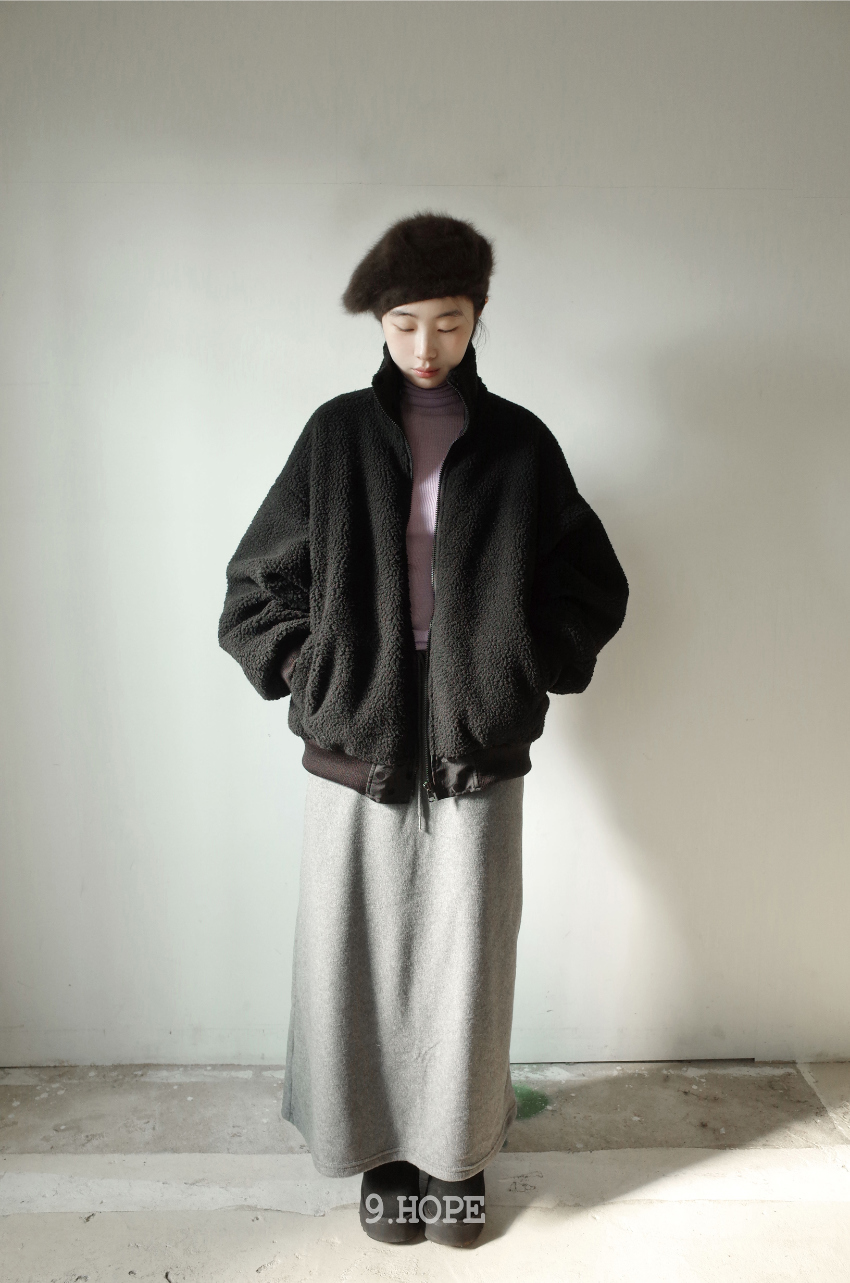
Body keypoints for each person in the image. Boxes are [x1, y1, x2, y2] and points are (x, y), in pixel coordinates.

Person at [218, 211, 629, 1248]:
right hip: (356, 736)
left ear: (477, 315)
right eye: (404, 323)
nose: (425, 345)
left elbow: (591, 585)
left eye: (446, 321)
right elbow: (255, 588)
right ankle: (381, 1156)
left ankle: (456, 1159)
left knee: (466, 958)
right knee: (354, 955)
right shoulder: (334, 437)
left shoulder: (520, 444)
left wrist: (515, 667)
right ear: (379, 323)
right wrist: (319, 674)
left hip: (473, 738)